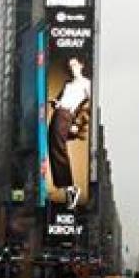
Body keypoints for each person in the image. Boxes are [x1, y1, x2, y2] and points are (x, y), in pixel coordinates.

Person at [48, 56, 91, 208]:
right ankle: (68, 189)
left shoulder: (87, 83)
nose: (72, 67)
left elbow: (88, 106)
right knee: (54, 147)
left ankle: (71, 188)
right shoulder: (67, 84)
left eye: (74, 64)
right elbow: (63, 100)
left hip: (66, 116)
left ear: (81, 65)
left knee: (58, 147)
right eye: (70, 65)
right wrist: (56, 103)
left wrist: (77, 123)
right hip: (58, 114)